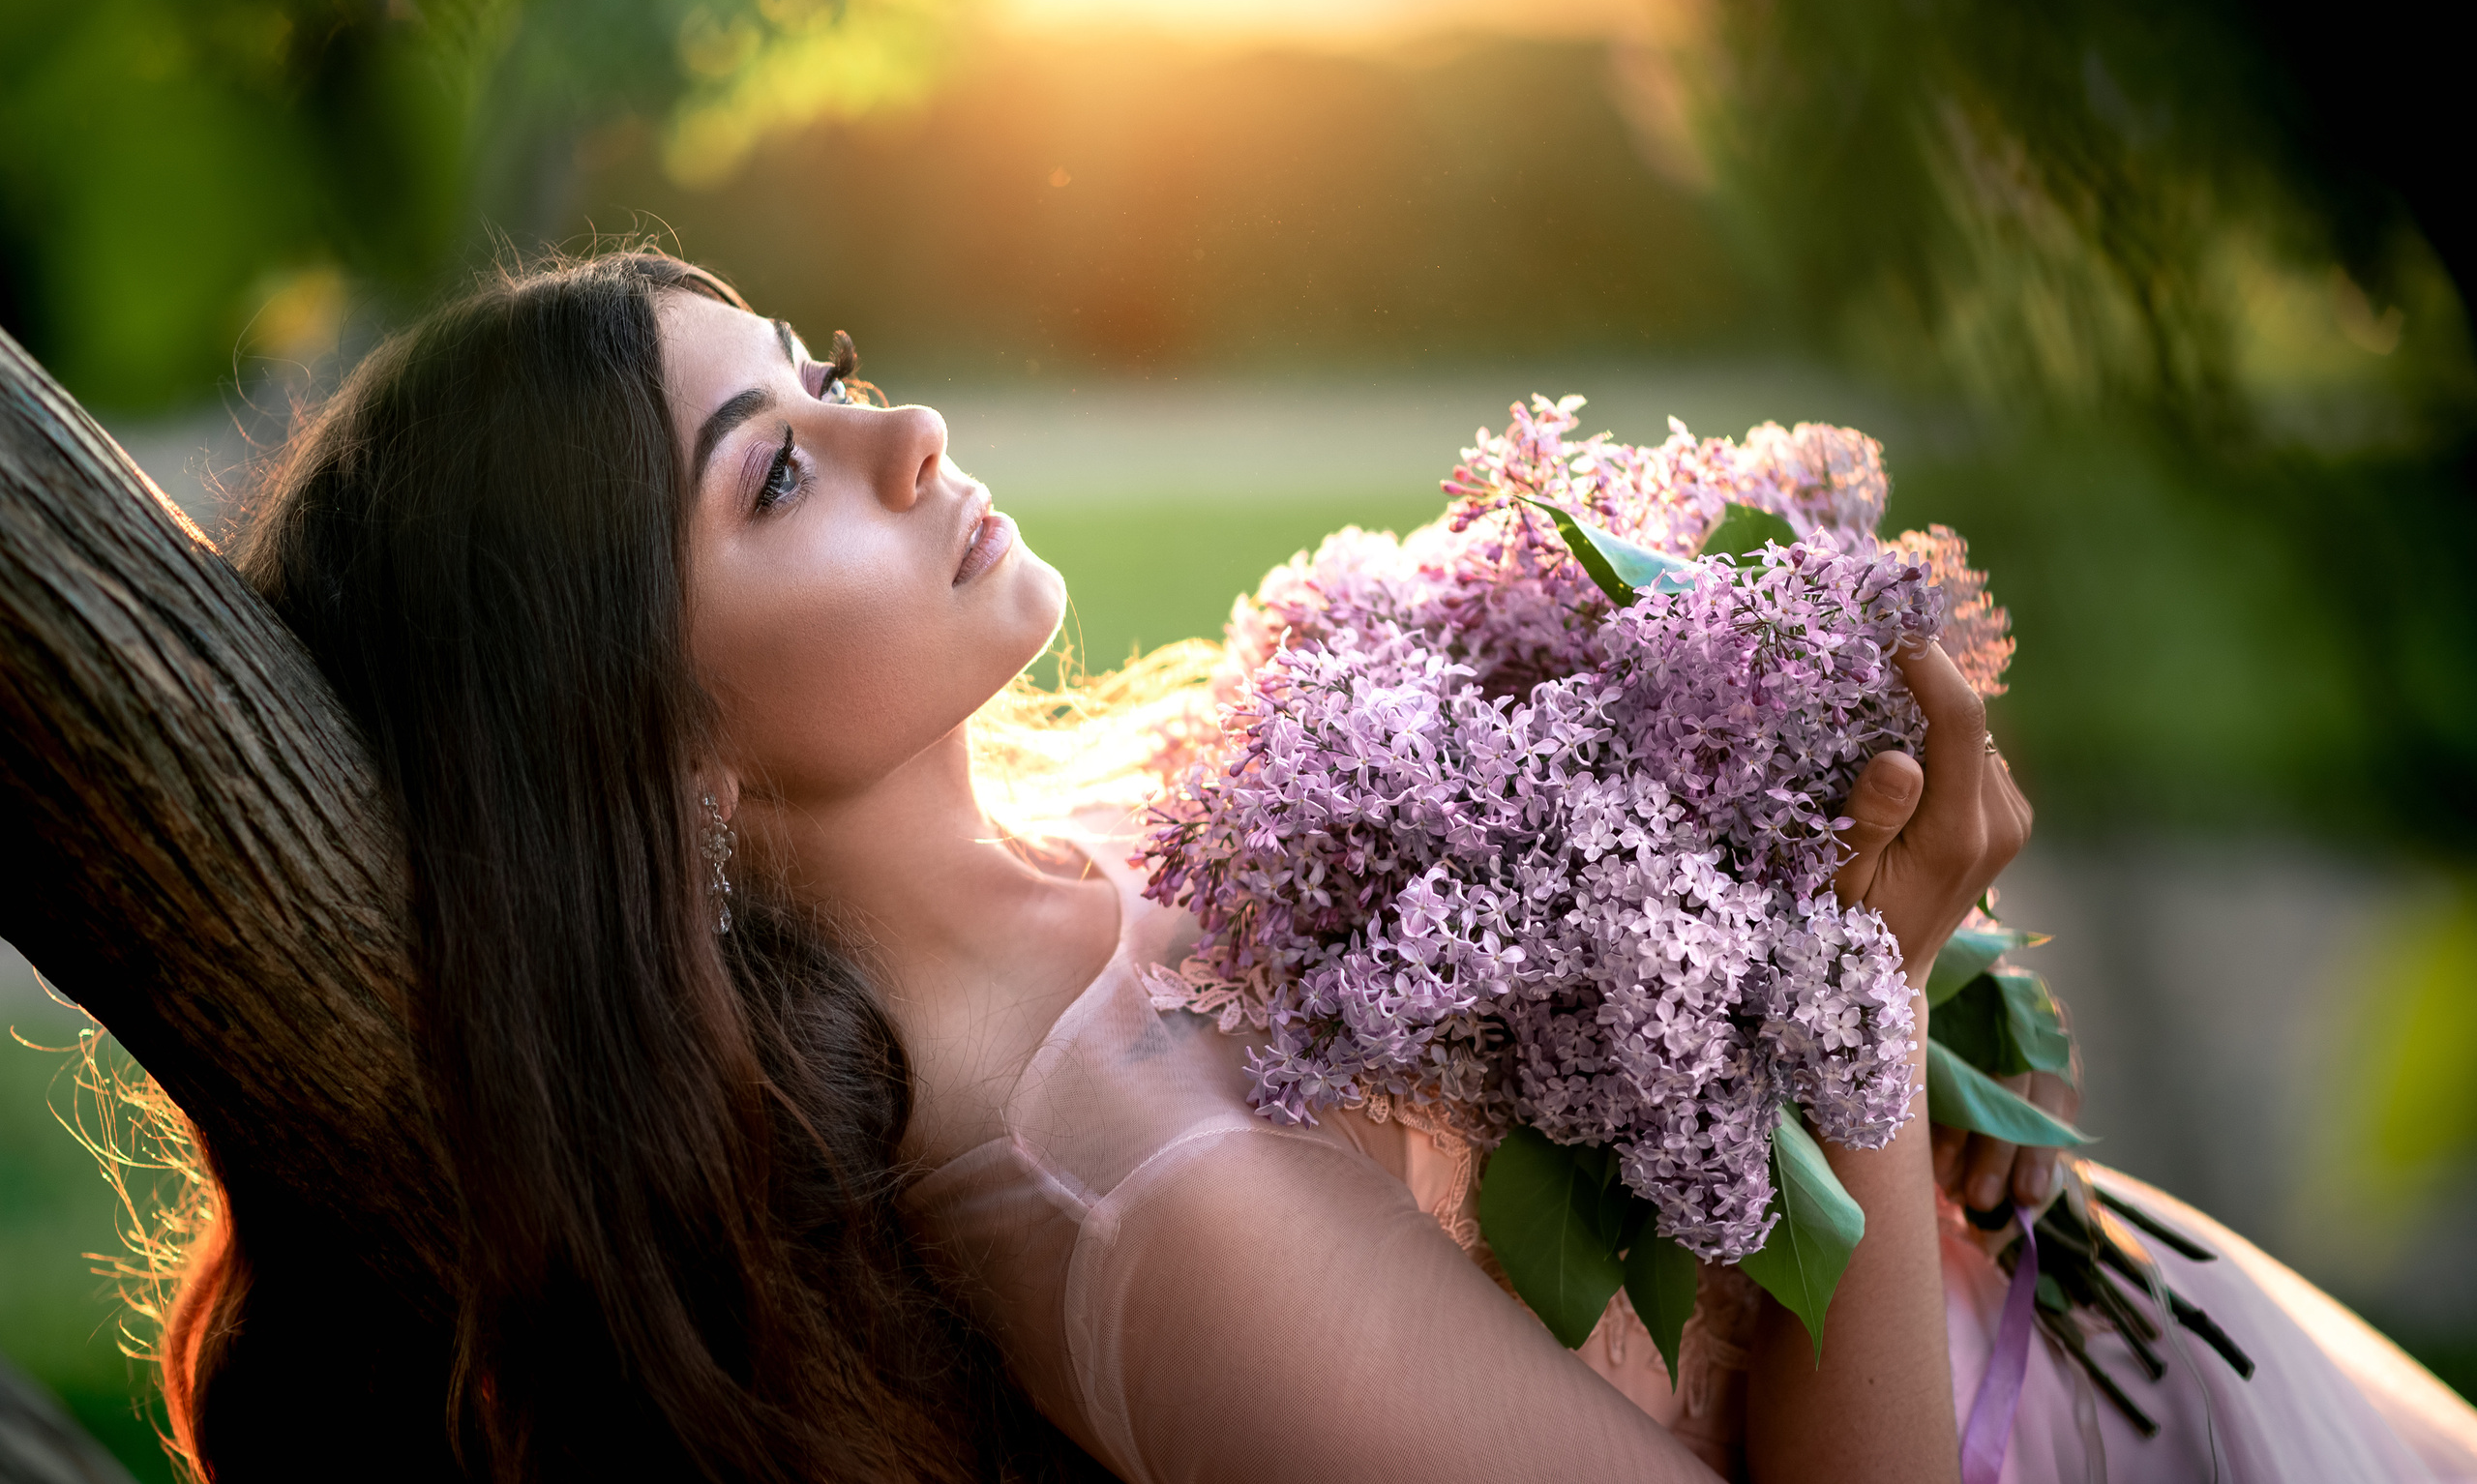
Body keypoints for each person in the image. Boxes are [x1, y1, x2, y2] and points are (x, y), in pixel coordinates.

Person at [197, 249, 2474, 1483]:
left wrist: (1912, 1083)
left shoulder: (1122, 823)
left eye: (828, 372)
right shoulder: (1130, 1200)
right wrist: (1861, 1008)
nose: (904, 432)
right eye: (771, 478)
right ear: (626, 726)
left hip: (2106, 1337)